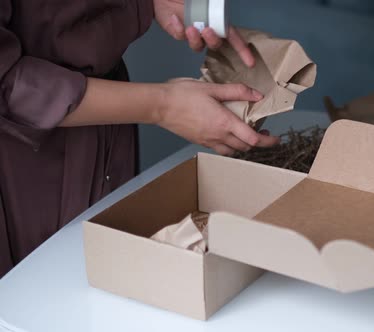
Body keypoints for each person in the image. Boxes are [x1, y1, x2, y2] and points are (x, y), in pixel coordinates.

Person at [0, 0, 279, 278]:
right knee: (41, 291)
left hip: (109, 130)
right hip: (25, 161)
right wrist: (164, 106)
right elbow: (8, 82)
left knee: (116, 276)